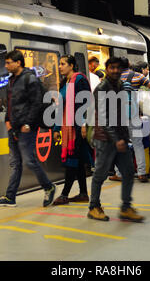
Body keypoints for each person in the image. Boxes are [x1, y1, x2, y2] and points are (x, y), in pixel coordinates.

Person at [0, 50, 56, 207]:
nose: (6, 66)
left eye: (8, 63)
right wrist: (7, 120)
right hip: (14, 127)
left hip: (27, 128)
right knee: (16, 163)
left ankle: (49, 187)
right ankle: (10, 197)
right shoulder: (12, 80)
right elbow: (10, 103)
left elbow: (37, 103)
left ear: (18, 62)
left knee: (30, 160)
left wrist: (28, 123)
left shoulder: (30, 79)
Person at [88, 57, 145, 222]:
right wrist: (116, 139)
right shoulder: (101, 88)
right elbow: (104, 117)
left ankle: (126, 207)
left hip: (119, 138)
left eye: (117, 68)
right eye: (111, 68)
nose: (114, 71)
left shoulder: (120, 86)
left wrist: (123, 137)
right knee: (100, 174)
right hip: (105, 138)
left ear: (121, 70)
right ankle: (94, 207)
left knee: (128, 172)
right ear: (106, 69)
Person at [51, 55, 92, 205]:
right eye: (59, 64)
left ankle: (64, 194)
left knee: (72, 161)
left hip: (78, 128)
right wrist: (56, 129)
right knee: (78, 160)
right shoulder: (64, 83)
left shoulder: (79, 80)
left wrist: (83, 124)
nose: (60, 67)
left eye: (63, 64)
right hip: (68, 127)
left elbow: (87, 103)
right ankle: (83, 193)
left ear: (72, 66)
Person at [112, 58, 150, 183]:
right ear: (129, 65)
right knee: (138, 144)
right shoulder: (138, 76)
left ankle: (119, 173)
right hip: (134, 115)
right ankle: (142, 173)